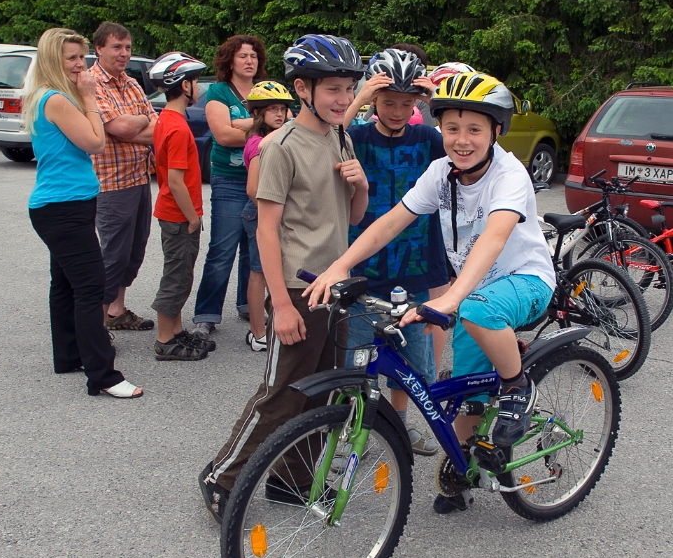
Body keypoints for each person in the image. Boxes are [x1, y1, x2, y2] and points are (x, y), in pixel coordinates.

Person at [306, 71, 555, 514]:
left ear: (496, 131)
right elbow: (390, 221)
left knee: (476, 311)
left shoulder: (509, 174)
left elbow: (494, 238)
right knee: (466, 396)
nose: (462, 140)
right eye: (452, 128)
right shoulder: (441, 171)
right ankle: (464, 471)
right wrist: (340, 266)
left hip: (524, 281)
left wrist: (450, 298)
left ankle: (518, 386)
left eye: (475, 129)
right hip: (473, 294)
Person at [199, 34, 369, 523]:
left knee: (324, 393)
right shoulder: (282, 147)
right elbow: (266, 231)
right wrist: (282, 305)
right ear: (302, 88)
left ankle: (290, 480)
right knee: (282, 394)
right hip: (297, 288)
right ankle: (222, 477)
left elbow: (353, 217)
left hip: (336, 287)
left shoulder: (341, 137)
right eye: (333, 89)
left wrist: (360, 185)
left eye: (348, 89)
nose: (343, 99)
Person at [342, 48, 449, 456]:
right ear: (374, 101)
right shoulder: (358, 138)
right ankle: (355, 429)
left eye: (407, 103)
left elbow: (467, 148)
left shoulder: (427, 138)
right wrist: (358, 99)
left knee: (407, 357)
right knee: (357, 356)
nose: (398, 111)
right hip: (363, 264)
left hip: (415, 263)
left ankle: (400, 426)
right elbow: (326, 137)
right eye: (388, 102)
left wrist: (436, 101)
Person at [26, 27, 142, 399]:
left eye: (81, 56)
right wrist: (90, 98)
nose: (81, 64)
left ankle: (69, 355)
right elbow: (95, 142)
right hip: (62, 207)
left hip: (64, 204)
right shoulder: (58, 99)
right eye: (73, 58)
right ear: (53, 61)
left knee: (64, 284)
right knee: (91, 287)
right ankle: (103, 375)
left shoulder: (48, 96)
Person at [191, 35, 268, 340]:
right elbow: (222, 136)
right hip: (229, 181)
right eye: (242, 56)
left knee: (255, 250)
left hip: (262, 181)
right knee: (223, 249)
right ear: (229, 60)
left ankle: (247, 305)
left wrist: (241, 125)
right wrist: (259, 127)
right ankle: (206, 315)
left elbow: (282, 125)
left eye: (253, 56)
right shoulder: (218, 92)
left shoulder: (265, 90)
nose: (249, 61)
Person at [89, 22, 158, 333]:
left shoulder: (131, 83)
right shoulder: (92, 84)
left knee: (134, 251)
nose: (124, 53)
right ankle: (97, 325)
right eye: (117, 47)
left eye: (128, 47)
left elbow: (157, 128)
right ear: (99, 48)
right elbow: (120, 128)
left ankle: (117, 311)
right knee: (113, 255)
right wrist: (138, 123)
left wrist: (134, 125)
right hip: (112, 184)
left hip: (140, 179)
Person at [148, 52, 216, 361]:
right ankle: (165, 339)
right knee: (176, 277)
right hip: (178, 215)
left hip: (173, 213)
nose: (198, 86)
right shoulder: (176, 127)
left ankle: (175, 330)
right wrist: (192, 218)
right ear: (184, 85)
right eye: (196, 81)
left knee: (182, 273)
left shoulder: (168, 118)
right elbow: (176, 181)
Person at [242, 81, 296, 352]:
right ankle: (257, 332)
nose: (279, 114)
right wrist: (273, 211)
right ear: (257, 113)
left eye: (283, 109)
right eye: (272, 109)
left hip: (269, 211)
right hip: (259, 212)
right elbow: (253, 189)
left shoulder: (279, 138)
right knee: (259, 273)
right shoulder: (260, 143)